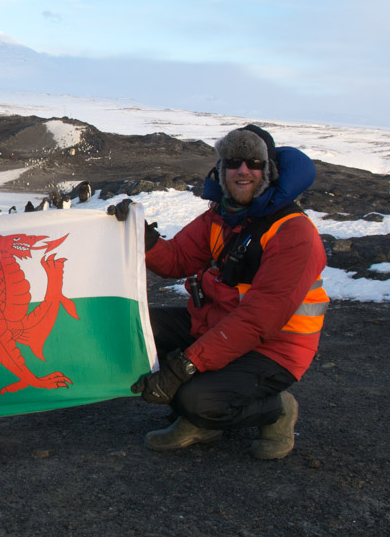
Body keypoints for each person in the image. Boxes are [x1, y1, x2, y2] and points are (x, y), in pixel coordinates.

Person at [110, 124, 328, 460]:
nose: (243, 171)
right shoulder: (222, 217)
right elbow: (178, 259)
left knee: (193, 398)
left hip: (276, 348)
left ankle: (275, 409)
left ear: (268, 170)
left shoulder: (293, 233)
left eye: (254, 162)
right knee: (137, 330)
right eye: (233, 162)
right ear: (220, 170)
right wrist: (143, 238)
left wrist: (184, 366)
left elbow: (258, 321)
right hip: (219, 326)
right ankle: (203, 418)